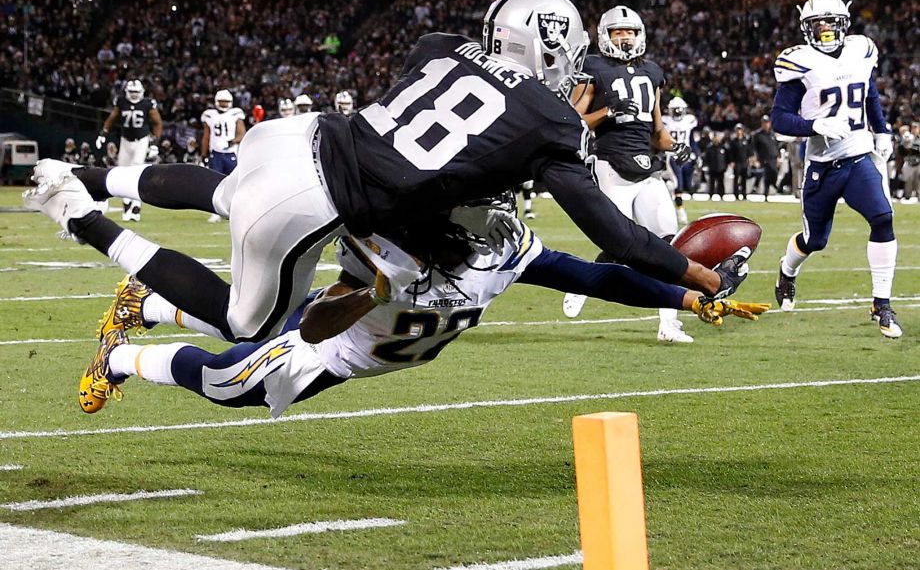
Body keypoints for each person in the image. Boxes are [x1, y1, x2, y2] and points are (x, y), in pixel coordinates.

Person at [27, 0, 749, 349]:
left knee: (223, 189)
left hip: (303, 133)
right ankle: (79, 214)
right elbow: (616, 240)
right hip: (320, 199)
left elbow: (437, 136)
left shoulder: (437, 44)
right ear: (557, 47)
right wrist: (702, 275)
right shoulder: (552, 119)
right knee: (245, 322)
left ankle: (92, 177)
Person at [78, 212, 768, 414]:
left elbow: (601, 275)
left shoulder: (510, 244)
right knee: (235, 381)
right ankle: (118, 356)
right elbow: (324, 313)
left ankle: (150, 305)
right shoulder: (388, 238)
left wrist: (687, 293)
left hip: (365, 353)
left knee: (248, 339)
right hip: (336, 341)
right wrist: (369, 288)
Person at [559, 5, 695, 343]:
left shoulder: (652, 72)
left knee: (669, 243)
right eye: (619, 32)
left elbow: (658, 129)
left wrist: (675, 147)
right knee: (619, 244)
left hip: (648, 168)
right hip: (610, 163)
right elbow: (571, 121)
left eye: (630, 32)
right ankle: (581, 283)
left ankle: (668, 324)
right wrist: (608, 111)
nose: (625, 37)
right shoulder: (593, 67)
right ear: (605, 35)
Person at [770, 0, 900, 337]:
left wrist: (882, 130)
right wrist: (813, 126)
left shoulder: (861, 50)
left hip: (857, 155)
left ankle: (882, 304)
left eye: (831, 22)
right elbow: (779, 120)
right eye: (817, 23)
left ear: (844, 22)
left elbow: (869, 92)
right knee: (815, 240)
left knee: (883, 217)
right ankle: (787, 272)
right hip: (823, 165)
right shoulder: (800, 63)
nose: (825, 28)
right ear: (806, 28)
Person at [95, 79, 163, 222]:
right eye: (131, 92)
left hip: (141, 141)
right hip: (125, 140)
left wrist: (155, 143)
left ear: (141, 92)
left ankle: (136, 208)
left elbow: (157, 123)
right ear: (126, 91)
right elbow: (111, 118)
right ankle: (127, 206)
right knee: (122, 173)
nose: (133, 95)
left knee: (135, 172)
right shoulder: (121, 102)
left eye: (136, 92)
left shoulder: (147, 104)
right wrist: (103, 134)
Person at [201, 90, 246, 222]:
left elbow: (242, 133)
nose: (224, 104)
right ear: (216, 101)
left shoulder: (235, 114)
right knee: (215, 183)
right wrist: (204, 153)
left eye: (226, 102)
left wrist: (233, 141)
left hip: (231, 153)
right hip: (215, 152)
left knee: (234, 183)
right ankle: (216, 212)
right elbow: (206, 136)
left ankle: (235, 210)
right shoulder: (209, 115)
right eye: (222, 101)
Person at [661, 96, 697, 224]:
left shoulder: (689, 120)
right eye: (675, 110)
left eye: (679, 110)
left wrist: (695, 153)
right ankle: (680, 210)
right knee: (677, 184)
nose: (677, 112)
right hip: (671, 156)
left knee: (687, 185)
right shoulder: (665, 121)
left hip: (686, 155)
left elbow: (692, 139)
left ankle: (667, 192)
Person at [752, 115, 779, 200]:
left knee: (774, 173)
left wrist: (778, 156)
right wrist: (755, 158)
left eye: (767, 123)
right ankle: (766, 194)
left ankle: (773, 184)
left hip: (773, 157)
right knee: (768, 174)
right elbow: (754, 147)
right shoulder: (758, 135)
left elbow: (776, 146)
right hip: (764, 158)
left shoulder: (772, 134)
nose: (765, 124)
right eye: (764, 123)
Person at [727, 124, 752, 200]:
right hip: (737, 162)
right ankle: (736, 194)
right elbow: (730, 152)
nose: (739, 131)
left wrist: (750, 159)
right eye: (737, 130)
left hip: (744, 162)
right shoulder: (733, 142)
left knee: (744, 179)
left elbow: (749, 151)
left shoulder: (746, 140)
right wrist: (731, 161)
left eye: (740, 129)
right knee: (736, 179)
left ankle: (744, 194)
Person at [704, 131, 727, 200]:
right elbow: (706, 158)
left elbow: (727, 157)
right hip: (712, 167)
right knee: (712, 183)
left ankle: (722, 195)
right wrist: (707, 165)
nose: (716, 139)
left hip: (721, 168)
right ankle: (711, 195)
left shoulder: (723, 147)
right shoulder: (709, 148)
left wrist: (725, 166)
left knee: (721, 182)